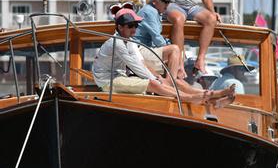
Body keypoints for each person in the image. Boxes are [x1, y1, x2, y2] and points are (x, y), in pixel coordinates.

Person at [92, 8, 235, 106]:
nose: (134, 29)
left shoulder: (129, 41)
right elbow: (135, 65)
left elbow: (140, 62)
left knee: (174, 81)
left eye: (136, 25)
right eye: (130, 25)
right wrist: (156, 80)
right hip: (107, 81)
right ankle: (192, 98)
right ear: (120, 27)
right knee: (154, 84)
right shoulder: (116, 43)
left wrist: (160, 79)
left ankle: (212, 95)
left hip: (121, 75)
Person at [134, 0, 187, 80]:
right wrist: (174, 52)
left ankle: (171, 81)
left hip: (143, 49)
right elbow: (157, 38)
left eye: (168, 2)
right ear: (154, 1)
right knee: (174, 49)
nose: (167, 4)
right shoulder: (149, 12)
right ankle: (171, 83)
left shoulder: (155, 12)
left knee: (175, 51)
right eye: (164, 1)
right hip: (138, 51)